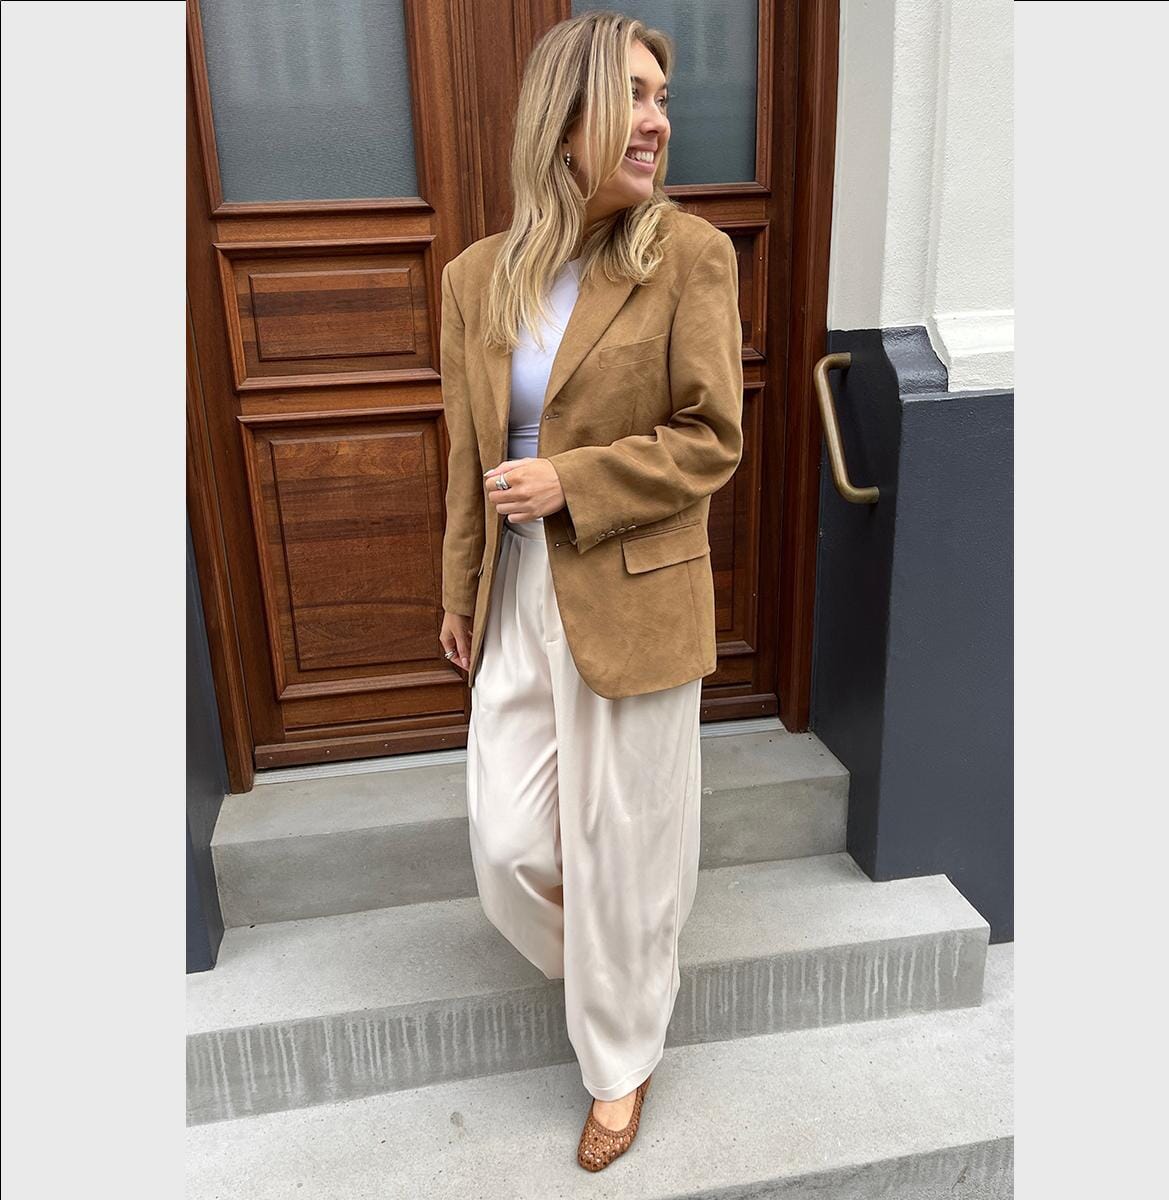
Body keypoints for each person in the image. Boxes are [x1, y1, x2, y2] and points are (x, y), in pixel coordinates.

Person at [437, 9, 743, 1173]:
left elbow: (712, 436)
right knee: (510, 839)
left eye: (665, 99)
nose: (657, 120)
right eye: (634, 96)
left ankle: (620, 1058)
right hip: (517, 585)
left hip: (630, 579)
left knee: (623, 839)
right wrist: (458, 587)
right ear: (563, 120)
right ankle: (627, 965)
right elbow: (466, 451)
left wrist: (574, 479)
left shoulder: (687, 256)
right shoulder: (477, 277)